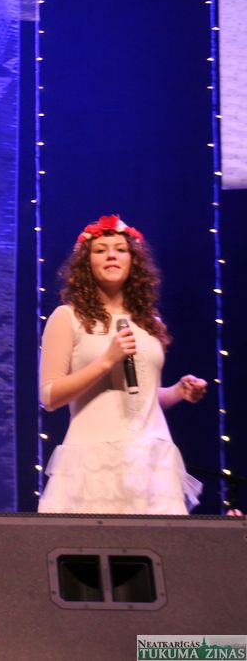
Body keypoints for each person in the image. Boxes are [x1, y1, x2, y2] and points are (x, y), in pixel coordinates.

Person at [39, 215, 207, 514]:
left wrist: (178, 392)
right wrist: (106, 361)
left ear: (133, 261)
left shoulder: (149, 322)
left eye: (120, 249)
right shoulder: (68, 317)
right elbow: (49, 396)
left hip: (151, 458)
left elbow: (142, 395)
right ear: (86, 263)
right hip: (94, 459)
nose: (111, 255)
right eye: (100, 250)